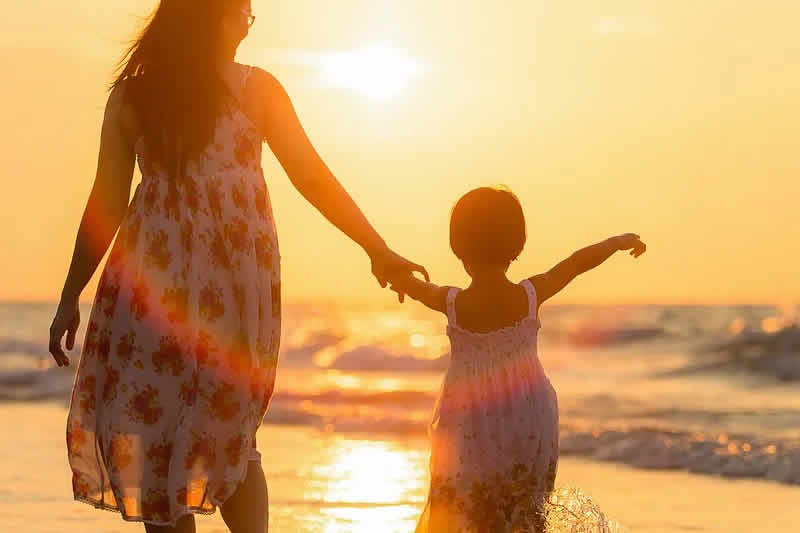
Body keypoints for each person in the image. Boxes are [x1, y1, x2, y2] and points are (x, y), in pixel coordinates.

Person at [47, 1, 426, 532]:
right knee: (229, 434)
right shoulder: (254, 89)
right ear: (214, 18)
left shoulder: (136, 94)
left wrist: (71, 294)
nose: (247, 26)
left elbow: (106, 201)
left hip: (153, 287)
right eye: (244, 14)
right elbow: (310, 177)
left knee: (161, 442)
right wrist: (376, 248)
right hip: (232, 288)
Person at [390, 186, 646, 532]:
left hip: (467, 421)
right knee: (525, 510)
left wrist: (392, 273)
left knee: (461, 506)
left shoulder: (452, 302)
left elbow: (413, 286)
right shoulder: (529, 295)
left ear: (458, 248)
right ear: (516, 245)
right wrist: (618, 241)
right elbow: (575, 263)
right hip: (528, 415)